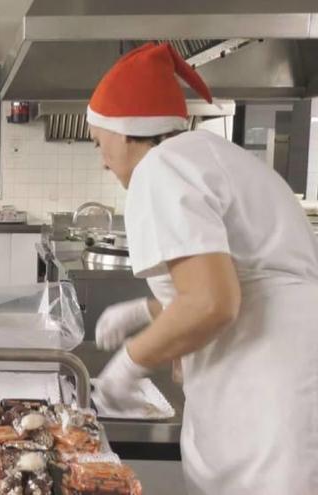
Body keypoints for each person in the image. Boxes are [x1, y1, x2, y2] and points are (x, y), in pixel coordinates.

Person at [88, 42, 318, 494]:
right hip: (267, 379)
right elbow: (238, 281)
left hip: (265, 395)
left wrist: (128, 365)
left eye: (99, 141)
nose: (101, 157)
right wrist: (147, 312)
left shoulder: (161, 167)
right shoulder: (204, 154)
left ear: (126, 130)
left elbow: (212, 302)